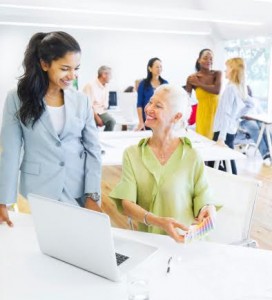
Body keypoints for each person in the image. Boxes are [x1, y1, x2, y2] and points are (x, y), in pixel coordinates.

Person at [0, 31, 102, 227]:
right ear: (44, 64)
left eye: (76, 68)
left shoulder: (82, 100)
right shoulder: (17, 98)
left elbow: (93, 150)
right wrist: (3, 199)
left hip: (78, 187)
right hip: (39, 188)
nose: (72, 75)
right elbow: (10, 152)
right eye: (65, 68)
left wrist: (92, 193)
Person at [110, 84, 219, 243]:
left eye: (158, 106)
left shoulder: (192, 155)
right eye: (151, 102)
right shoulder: (132, 154)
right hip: (150, 242)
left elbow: (203, 194)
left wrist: (207, 208)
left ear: (176, 117)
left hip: (186, 242)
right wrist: (158, 221)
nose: (149, 108)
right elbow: (127, 204)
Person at [213, 57, 255, 174]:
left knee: (214, 163)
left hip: (222, 131)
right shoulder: (238, 88)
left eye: (227, 68)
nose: (225, 71)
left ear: (233, 70)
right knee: (228, 161)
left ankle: (232, 182)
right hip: (229, 130)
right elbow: (251, 104)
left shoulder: (231, 89)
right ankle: (233, 181)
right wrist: (235, 116)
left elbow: (226, 114)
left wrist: (221, 138)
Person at [186, 49, 222, 139]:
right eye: (205, 58)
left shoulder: (217, 74)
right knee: (204, 143)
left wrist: (198, 83)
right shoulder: (191, 78)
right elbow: (185, 100)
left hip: (218, 113)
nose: (208, 61)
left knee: (218, 144)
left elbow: (216, 90)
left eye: (211, 58)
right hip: (203, 116)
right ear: (199, 60)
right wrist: (184, 121)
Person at [136, 58, 168, 131]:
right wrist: (141, 122)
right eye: (157, 67)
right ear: (150, 68)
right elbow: (139, 104)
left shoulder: (165, 84)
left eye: (160, 67)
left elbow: (167, 103)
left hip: (161, 120)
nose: (159, 69)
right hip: (148, 119)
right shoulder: (143, 84)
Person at [83, 66, 116, 131]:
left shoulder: (106, 86)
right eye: (110, 75)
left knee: (111, 121)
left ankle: (106, 139)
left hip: (101, 111)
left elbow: (105, 105)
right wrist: (97, 118)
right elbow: (88, 106)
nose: (111, 77)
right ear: (104, 75)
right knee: (93, 130)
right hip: (91, 112)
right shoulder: (90, 86)